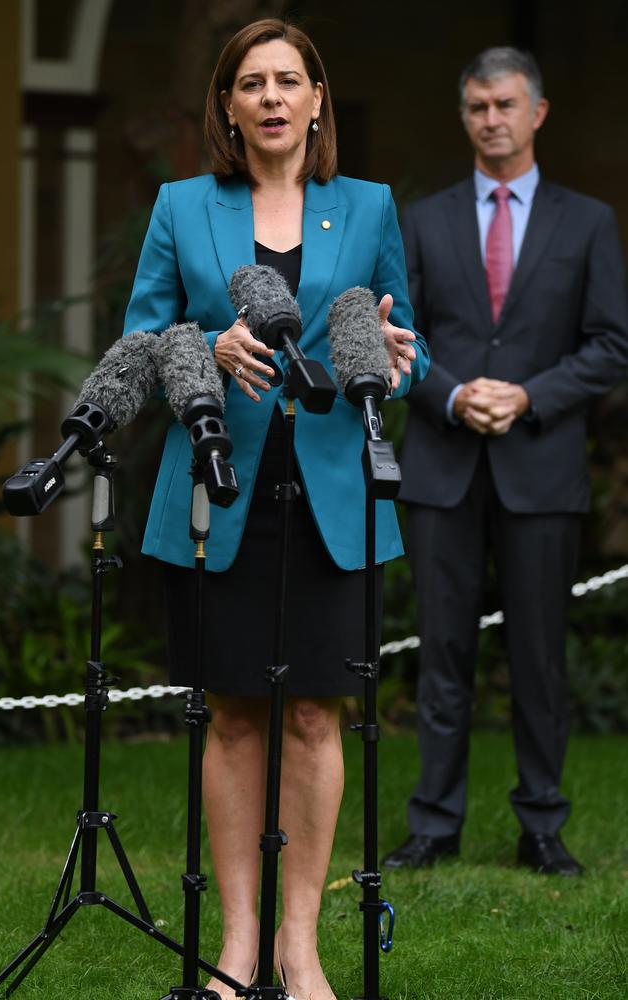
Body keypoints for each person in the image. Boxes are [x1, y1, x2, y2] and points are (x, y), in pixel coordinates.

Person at [123, 18, 429, 999]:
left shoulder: (370, 207)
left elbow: (393, 348)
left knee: (311, 720)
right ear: (227, 105)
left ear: (314, 99)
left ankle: (300, 948)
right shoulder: (181, 207)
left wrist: (398, 359)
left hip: (333, 494)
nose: (268, 97)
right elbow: (141, 346)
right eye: (249, 82)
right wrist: (202, 353)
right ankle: (238, 945)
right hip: (219, 488)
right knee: (235, 720)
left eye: (285, 80)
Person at [383, 47, 628, 876]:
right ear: (465, 117)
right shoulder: (422, 221)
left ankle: (542, 826)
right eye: (478, 107)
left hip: (541, 466)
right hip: (443, 466)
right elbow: (396, 342)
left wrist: (526, 397)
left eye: (506, 105)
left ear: (538, 113)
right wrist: (453, 397)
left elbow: (610, 345)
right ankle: (434, 825)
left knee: (539, 658)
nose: (492, 119)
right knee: (442, 656)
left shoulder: (588, 221)